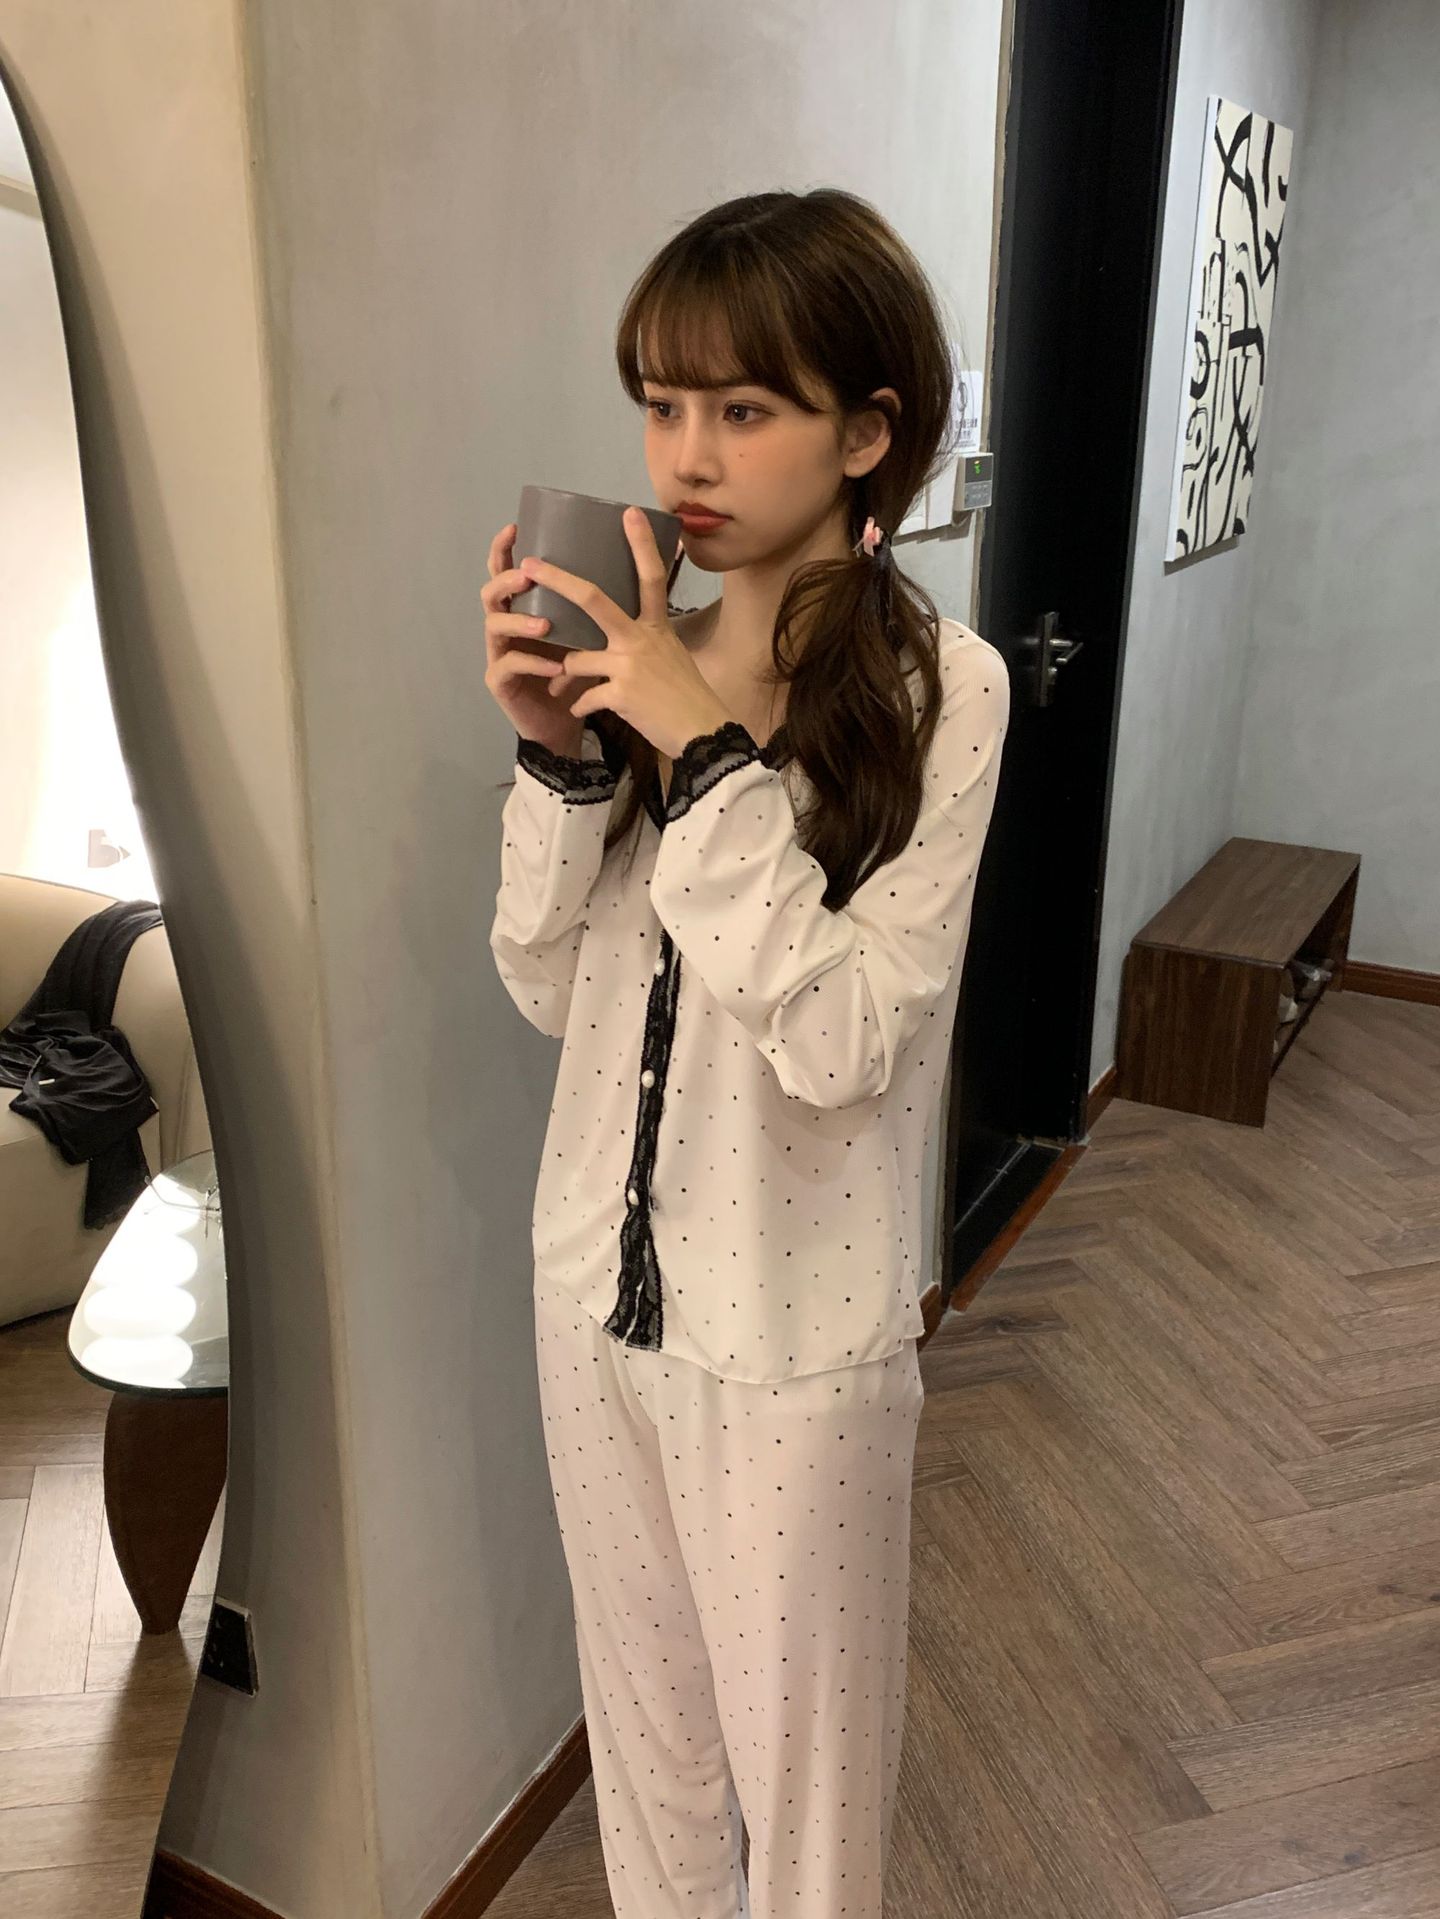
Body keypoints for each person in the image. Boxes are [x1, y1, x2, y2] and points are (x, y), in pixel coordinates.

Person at [483, 187, 1009, 1919]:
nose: (688, 456)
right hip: (594, 1296)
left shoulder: (945, 691)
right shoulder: (634, 664)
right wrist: (558, 752)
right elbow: (546, 991)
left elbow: (846, 1040)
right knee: (646, 1763)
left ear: (867, 433)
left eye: (744, 405)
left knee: (809, 1807)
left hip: (791, 1339)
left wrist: (705, 760)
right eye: (661, 403)